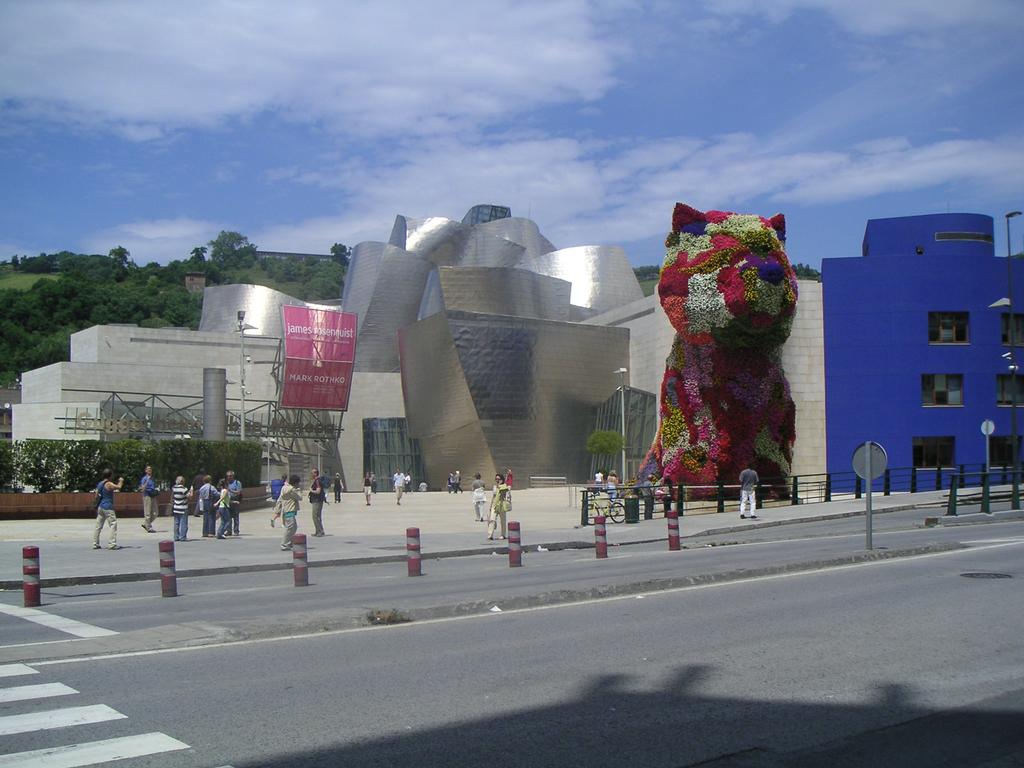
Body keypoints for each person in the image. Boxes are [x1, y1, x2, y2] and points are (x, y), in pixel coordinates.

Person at [92, 469, 124, 550]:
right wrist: (121, 480)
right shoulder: (109, 484)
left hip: (100, 507)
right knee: (113, 524)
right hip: (108, 507)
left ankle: (95, 543)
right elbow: (119, 487)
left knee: (98, 526)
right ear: (110, 475)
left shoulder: (100, 484)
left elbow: (96, 496)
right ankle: (112, 544)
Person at [272, 473, 301, 550]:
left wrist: (277, 510)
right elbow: (299, 497)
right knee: (290, 528)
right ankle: (284, 544)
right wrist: (298, 490)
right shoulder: (292, 491)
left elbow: (280, 499)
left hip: (286, 510)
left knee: (293, 527)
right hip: (290, 510)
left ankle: (289, 542)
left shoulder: (284, 488)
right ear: (295, 483)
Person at [487, 473, 510, 541]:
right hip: (495, 505)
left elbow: (506, 494)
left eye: (498, 479)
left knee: (503, 521)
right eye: (496, 479)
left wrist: (500, 486)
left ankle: (503, 535)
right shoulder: (495, 487)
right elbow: (493, 496)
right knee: (492, 519)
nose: (497, 480)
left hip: (501, 505)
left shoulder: (505, 486)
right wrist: (490, 506)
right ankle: (490, 535)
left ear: (502, 480)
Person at [138, 465, 158, 533]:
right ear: (145, 471)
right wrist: (147, 480)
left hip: (153, 495)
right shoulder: (144, 478)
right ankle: (149, 528)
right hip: (147, 496)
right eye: (148, 469)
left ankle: (145, 524)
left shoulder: (153, 478)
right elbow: (142, 488)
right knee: (148, 513)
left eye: (150, 469)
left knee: (155, 513)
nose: (149, 470)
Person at [171, 475, 189, 542]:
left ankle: (176, 536)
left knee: (176, 523)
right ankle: (182, 537)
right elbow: (189, 496)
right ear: (183, 481)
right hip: (183, 507)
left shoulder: (174, 488)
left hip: (176, 507)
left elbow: (172, 497)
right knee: (183, 522)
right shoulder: (184, 489)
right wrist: (192, 491)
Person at [309, 468, 326, 537]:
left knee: (315, 516)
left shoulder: (317, 481)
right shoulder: (317, 481)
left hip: (317, 501)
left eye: (312, 473)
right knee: (318, 516)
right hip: (318, 500)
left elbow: (318, 491)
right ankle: (319, 531)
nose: (311, 474)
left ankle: (319, 531)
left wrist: (311, 490)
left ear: (315, 473)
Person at [226, 470, 242, 536]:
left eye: (230, 476)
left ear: (233, 476)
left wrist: (231, 490)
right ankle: (228, 531)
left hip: (235, 500)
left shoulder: (237, 483)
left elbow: (238, 492)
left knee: (236, 517)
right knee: (228, 517)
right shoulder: (226, 483)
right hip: (228, 501)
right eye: (228, 476)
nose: (229, 477)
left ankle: (236, 531)